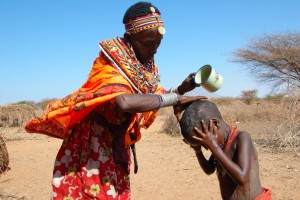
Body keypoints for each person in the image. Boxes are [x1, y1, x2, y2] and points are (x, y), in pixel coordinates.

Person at [25, 2, 206, 199]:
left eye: (158, 43)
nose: (154, 49)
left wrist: (180, 89)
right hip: (92, 142)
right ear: (129, 38)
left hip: (116, 142)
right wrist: (174, 99)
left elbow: (151, 94)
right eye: (148, 43)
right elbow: (124, 102)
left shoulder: (144, 66)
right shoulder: (109, 63)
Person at [179, 100, 272, 200]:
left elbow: (242, 178)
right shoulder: (219, 146)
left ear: (215, 124)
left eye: (204, 144)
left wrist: (213, 146)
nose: (206, 147)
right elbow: (209, 170)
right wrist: (198, 151)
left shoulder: (242, 138)